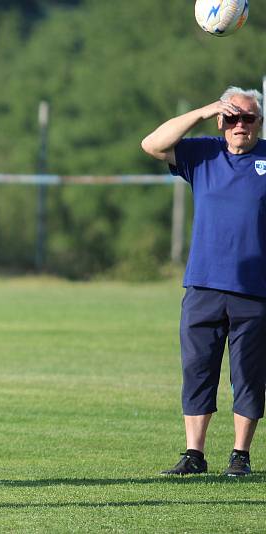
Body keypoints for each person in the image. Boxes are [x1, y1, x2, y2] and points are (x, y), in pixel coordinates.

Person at [141, 86, 266, 477]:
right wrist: (202, 110)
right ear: (221, 121)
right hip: (204, 285)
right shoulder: (204, 153)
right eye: (232, 117)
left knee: (248, 375)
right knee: (197, 370)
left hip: (255, 289)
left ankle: (239, 456)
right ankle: (194, 454)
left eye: (249, 118)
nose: (240, 125)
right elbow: (152, 143)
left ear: (259, 123)